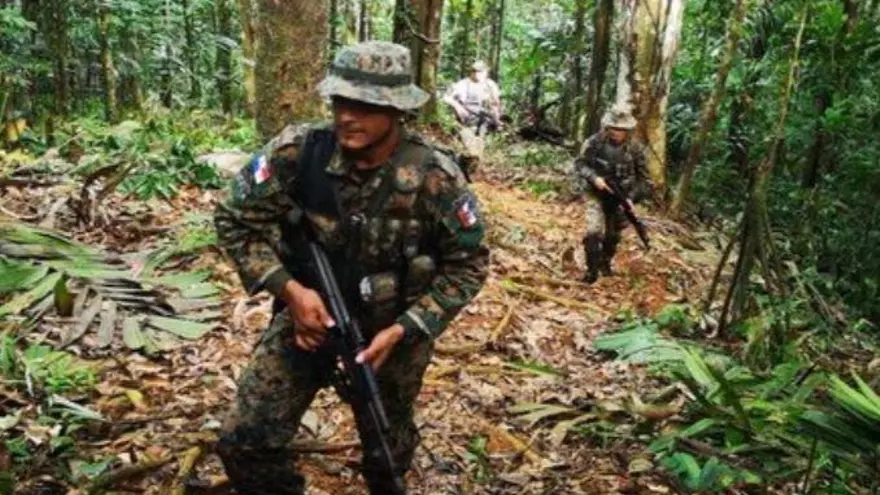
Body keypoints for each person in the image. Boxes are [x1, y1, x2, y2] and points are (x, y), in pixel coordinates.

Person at [213, 40, 490, 494]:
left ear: (397, 111)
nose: (347, 115)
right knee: (245, 442)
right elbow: (234, 219)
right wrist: (291, 292)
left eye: (365, 105)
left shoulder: (435, 177)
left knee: (387, 454)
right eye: (341, 101)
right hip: (309, 320)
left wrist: (407, 328)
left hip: (392, 336)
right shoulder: (298, 153)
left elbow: (469, 264)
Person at [573, 106, 651, 284]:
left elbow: (644, 180)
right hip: (596, 194)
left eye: (621, 129)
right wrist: (594, 178)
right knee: (593, 232)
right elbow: (579, 164)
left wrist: (632, 198)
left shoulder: (635, 149)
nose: (617, 132)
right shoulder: (594, 142)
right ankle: (591, 272)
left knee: (613, 235)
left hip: (621, 196)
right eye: (614, 128)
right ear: (607, 127)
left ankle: (605, 263)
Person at [442, 60, 503, 165]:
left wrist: (497, 121)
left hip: (485, 120)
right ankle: (470, 158)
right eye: (475, 71)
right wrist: (458, 107)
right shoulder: (463, 84)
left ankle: (476, 158)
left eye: (481, 72)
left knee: (481, 138)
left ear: (486, 72)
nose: (478, 74)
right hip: (467, 119)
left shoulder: (490, 85)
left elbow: (495, 104)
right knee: (468, 140)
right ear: (472, 72)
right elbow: (446, 97)